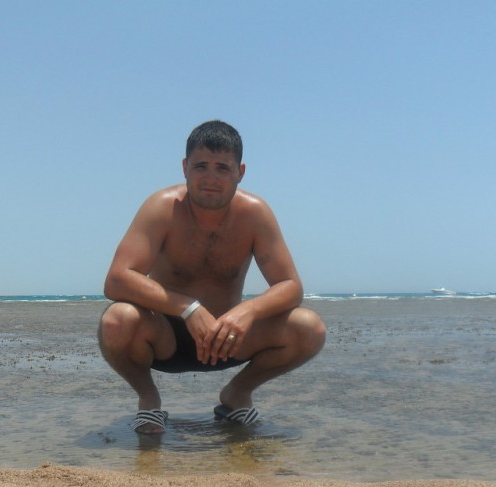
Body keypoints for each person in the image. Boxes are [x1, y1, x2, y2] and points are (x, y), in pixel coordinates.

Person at [98, 120, 326, 434]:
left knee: (309, 328)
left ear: (240, 172)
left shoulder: (255, 214)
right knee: (116, 321)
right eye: (200, 166)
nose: (210, 178)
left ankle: (237, 393)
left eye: (222, 168)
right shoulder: (162, 208)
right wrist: (189, 309)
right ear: (185, 167)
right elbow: (117, 279)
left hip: (227, 338)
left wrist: (246, 312)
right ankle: (148, 399)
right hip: (165, 338)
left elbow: (291, 286)